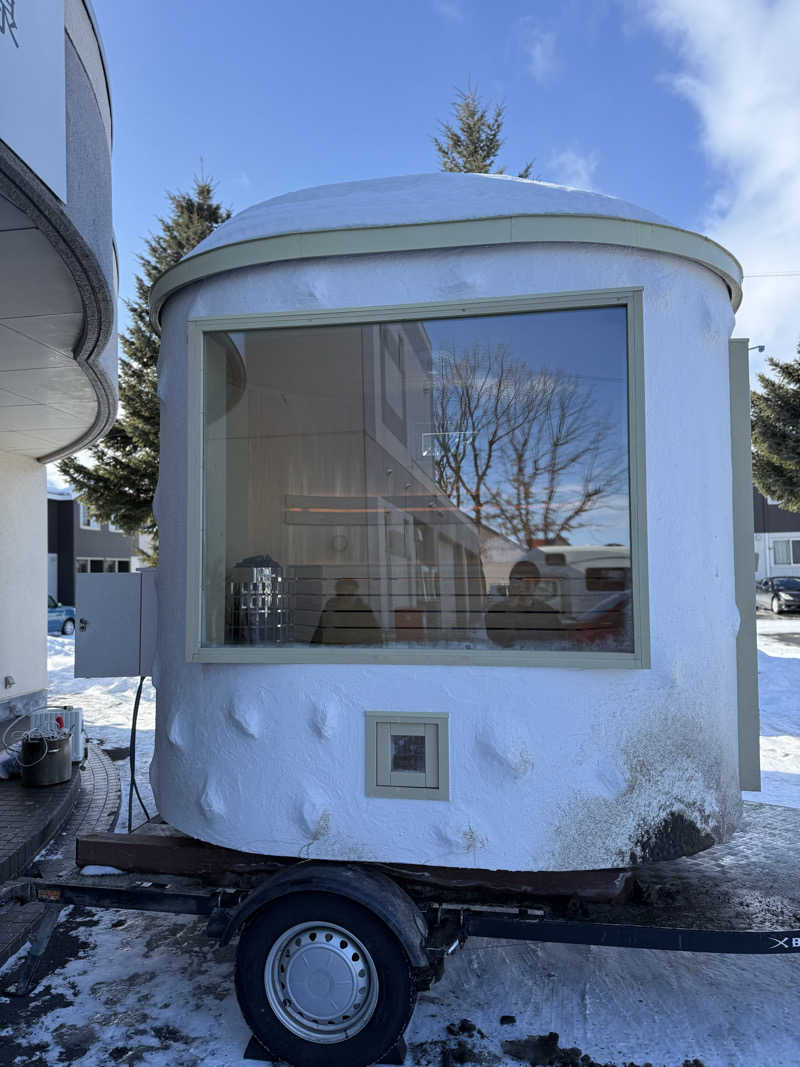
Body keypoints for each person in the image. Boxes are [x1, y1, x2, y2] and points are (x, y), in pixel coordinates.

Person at [485, 559, 563, 648]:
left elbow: (557, 642)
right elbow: (497, 641)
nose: (522, 586)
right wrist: (511, 604)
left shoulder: (547, 612)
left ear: (535, 585)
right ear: (510, 583)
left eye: (527, 582)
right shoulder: (496, 611)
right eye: (518, 581)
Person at [311, 578, 383, 646]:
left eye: (352, 590)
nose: (349, 594)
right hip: (332, 650)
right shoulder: (330, 609)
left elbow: (375, 635)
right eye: (346, 590)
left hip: (355, 651)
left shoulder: (364, 610)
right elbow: (320, 632)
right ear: (339, 592)